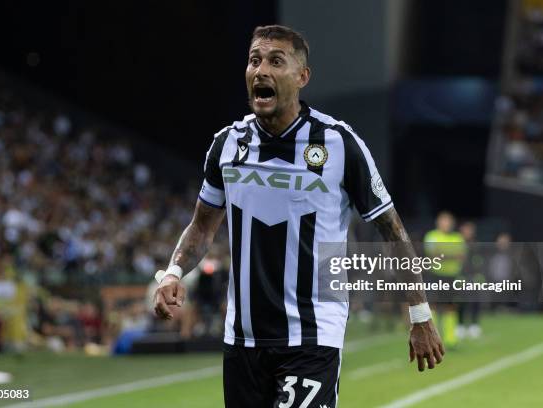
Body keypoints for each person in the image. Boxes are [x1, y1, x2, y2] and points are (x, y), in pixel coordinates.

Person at [153, 25, 444, 407]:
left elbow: (392, 229)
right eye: (255, 60)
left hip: (312, 336)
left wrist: (419, 313)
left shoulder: (340, 144)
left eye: (276, 61)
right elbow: (202, 226)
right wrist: (173, 272)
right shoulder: (227, 145)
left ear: (302, 77)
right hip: (243, 341)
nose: (261, 70)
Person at [424, 212, 466, 348]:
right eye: (443, 221)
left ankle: (450, 339)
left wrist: (443, 254)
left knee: (450, 307)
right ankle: (432, 338)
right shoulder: (432, 236)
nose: (445, 224)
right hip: (435, 275)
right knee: (433, 306)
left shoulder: (457, 238)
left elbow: (460, 256)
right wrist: (450, 254)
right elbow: (433, 255)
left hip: (451, 276)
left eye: (447, 221)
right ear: (438, 222)